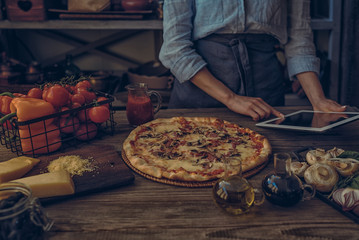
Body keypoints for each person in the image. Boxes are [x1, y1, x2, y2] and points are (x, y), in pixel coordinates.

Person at [159, 0, 346, 121]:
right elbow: (176, 48)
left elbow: (299, 39)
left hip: (265, 93)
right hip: (201, 91)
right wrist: (231, 98)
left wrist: (318, 100)